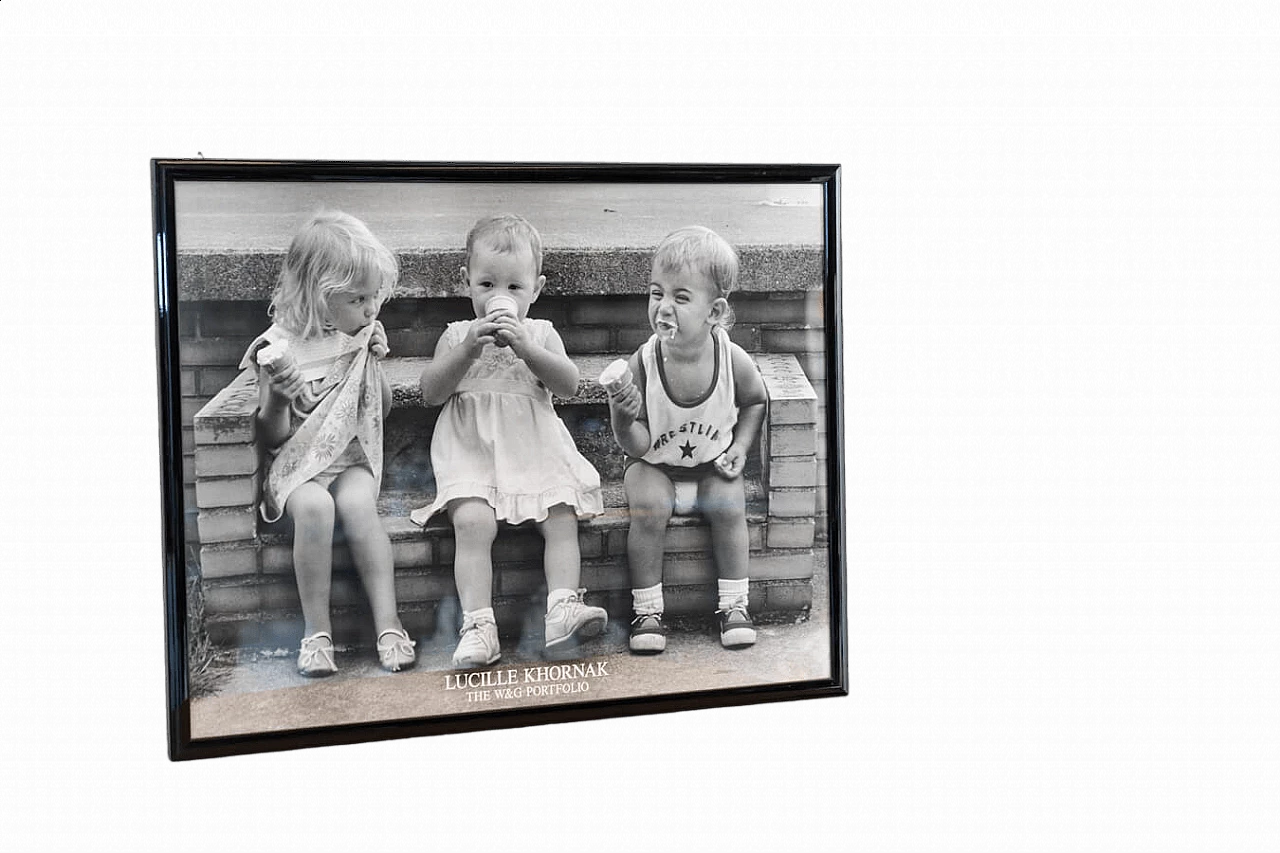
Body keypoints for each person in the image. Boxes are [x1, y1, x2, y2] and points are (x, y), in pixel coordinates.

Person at [410, 213, 608, 669]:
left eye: (514, 288)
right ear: (467, 284)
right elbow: (431, 392)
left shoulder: (540, 333)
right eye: (487, 285)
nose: (500, 296)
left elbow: (569, 385)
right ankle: (478, 626)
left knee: (561, 516)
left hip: (533, 449)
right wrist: (468, 350)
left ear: (535, 290)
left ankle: (561, 608)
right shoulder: (457, 335)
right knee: (473, 523)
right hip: (473, 451)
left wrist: (526, 348)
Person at [240, 210, 416, 677]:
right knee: (317, 508)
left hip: (349, 459)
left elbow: (383, 409)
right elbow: (273, 435)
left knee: (359, 505)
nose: (371, 309)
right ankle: (317, 633)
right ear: (320, 297)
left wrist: (373, 362)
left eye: (373, 297)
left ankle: (389, 623)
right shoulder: (278, 346)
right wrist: (277, 398)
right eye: (358, 299)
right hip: (297, 469)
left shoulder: (356, 335)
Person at [606, 226, 768, 653]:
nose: (663, 307)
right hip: (656, 465)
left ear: (714, 312)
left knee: (730, 504)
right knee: (648, 504)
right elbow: (637, 445)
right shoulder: (643, 362)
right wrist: (623, 421)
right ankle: (647, 611)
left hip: (711, 465)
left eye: (680, 298)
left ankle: (734, 605)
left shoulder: (731, 358)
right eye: (657, 293)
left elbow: (755, 401)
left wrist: (740, 447)